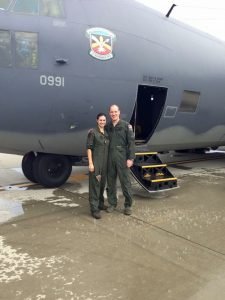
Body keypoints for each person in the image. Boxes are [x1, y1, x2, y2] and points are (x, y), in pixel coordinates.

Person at [105, 104, 135, 215]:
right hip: (110, 157)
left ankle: (128, 205)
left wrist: (131, 158)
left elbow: (131, 143)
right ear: (109, 113)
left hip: (122, 158)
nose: (113, 114)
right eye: (111, 112)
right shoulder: (107, 126)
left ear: (119, 112)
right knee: (111, 182)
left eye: (115, 112)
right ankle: (112, 203)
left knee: (125, 182)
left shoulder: (126, 126)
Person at [86, 113, 109, 219]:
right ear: (97, 120)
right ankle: (94, 209)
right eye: (100, 120)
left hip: (105, 164)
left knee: (102, 184)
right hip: (96, 163)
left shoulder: (107, 133)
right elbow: (89, 148)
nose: (102, 122)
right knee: (95, 186)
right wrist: (90, 163)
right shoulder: (92, 133)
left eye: (104, 120)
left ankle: (100, 204)